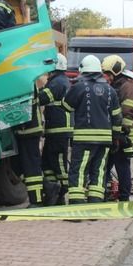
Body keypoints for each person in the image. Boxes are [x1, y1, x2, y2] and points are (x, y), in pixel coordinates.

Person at [62, 55, 122, 204]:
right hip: (105, 140)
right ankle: (95, 203)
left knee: (79, 170)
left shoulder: (79, 87)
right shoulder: (110, 90)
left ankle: (77, 205)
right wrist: (116, 137)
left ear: (84, 70)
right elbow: (117, 117)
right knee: (99, 171)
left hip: (84, 139)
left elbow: (66, 106)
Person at [101, 56, 133, 201]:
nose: (107, 77)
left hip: (125, 136)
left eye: (108, 74)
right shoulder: (117, 86)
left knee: (122, 167)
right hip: (116, 135)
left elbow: (129, 111)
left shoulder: (127, 87)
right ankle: (106, 193)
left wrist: (122, 133)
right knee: (107, 165)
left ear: (115, 72)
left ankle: (124, 197)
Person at [38, 53, 72, 204]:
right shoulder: (61, 80)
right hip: (55, 131)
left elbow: (42, 98)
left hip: (59, 131)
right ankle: (53, 192)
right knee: (48, 163)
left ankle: (62, 193)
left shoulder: (57, 82)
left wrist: (31, 90)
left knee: (59, 164)